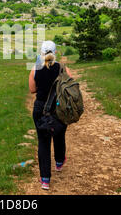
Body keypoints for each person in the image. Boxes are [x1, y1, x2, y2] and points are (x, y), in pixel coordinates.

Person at [28, 40, 73, 190]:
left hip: (41, 108)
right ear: (55, 53)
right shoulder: (62, 68)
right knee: (60, 134)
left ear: (41, 52)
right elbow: (69, 86)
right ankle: (59, 162)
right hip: (59, 108)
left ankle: (45, 179)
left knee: (43, 142)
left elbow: (32, 90)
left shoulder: (35, 68)